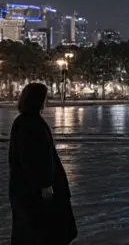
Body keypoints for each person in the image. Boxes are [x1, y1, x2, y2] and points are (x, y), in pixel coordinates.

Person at [8, 83, 77, 245]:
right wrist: (45, 185)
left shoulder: (23, 121)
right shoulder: (32, 124)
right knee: (44, 229)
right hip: (36, 189)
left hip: (25, 187)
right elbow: (34, 158)